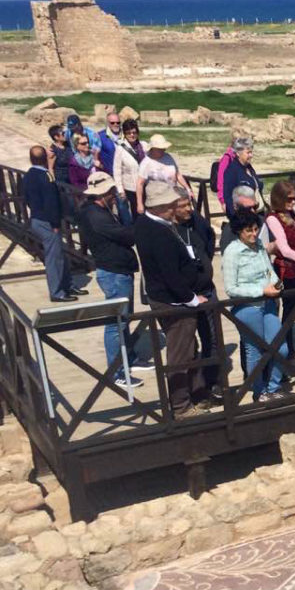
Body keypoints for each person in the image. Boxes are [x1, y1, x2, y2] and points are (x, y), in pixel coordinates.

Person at [133, 181, 214, 416]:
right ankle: (181, 406)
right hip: (172, 300)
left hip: (169, 295)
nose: (173, 209)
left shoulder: (147, 223)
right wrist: (191, 298)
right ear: (158, 207)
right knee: (180, 353)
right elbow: (170, 274)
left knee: (190, 346)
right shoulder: (158, 232)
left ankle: (197, 392)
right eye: (169, 206)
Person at [77, 173, 150, 388]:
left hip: (118, 270)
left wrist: (121, 206)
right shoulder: (96, 216)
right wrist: (124, 211)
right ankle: (116, 371)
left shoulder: (97, 211)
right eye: (112, 192)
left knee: (124, 319)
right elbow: (128, 235)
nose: (115, 195)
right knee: (116, 324)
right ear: (104, 193)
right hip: (113, 272)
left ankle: (129, 358)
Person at [222, 208, 288, 402]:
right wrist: (260, 291)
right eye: (248, 230)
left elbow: (269, 271)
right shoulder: (232, 252)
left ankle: (273, 387)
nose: (253, 234)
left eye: (255, 229)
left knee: (280, 347)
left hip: (267, 302)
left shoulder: (259, 245)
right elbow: (231, 289)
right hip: (246, 307)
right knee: (255, 350)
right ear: (239, 231)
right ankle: (259, 392)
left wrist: (277, 283)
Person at [172, 188, 222, 394]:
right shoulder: (168, 231)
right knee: (188, 345)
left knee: (213, 338)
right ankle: (194, 389)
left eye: (189, 204)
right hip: (186, 297)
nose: (188, 209)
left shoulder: (197, 222)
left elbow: (209, 240)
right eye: (182, 206)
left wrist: (204, 265)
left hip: (207, 290)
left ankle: (214, 382)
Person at [22, 146, 77, 302]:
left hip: (36, 218)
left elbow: (25, 198)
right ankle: (57, 292)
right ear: (44, 158)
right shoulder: (46, 176)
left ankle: (67, 284)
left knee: (60, 254)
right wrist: (55, 223)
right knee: (54, 259)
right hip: (48, 222)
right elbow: (51, 202)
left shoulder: (28, 176)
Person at [264, 180, 295, 357]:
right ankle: (289, 349)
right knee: (291, 312)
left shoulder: (291, 213)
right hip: (289, 270)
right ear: (280, 198)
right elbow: (283, 249)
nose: (294, 202)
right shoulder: (273, 218)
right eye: (290, 199)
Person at [137, 135, 187, 214]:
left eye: (163, 148)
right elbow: (140, 184)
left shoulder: (168, 157)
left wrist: (187, 188)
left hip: (173, 194)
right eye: (160, 149)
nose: (163, 150)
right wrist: (139, 204)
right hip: (158, 200)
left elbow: (178, 174)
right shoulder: (146, 163)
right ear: (152, 149)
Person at [221, 137, 261, 219]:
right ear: (238, 153)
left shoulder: (249, 167)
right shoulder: (232, 171)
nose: (251, 155)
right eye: (248, 152)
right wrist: (237, 217)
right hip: (243, 217)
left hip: (256, 213)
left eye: (251, 152)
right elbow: (228, 197)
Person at [218, 185, 265, 253]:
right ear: (236, 207)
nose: (253, 211)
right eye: (248, 208)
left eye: (255, 207)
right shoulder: (229, 231)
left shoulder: (262, 221)